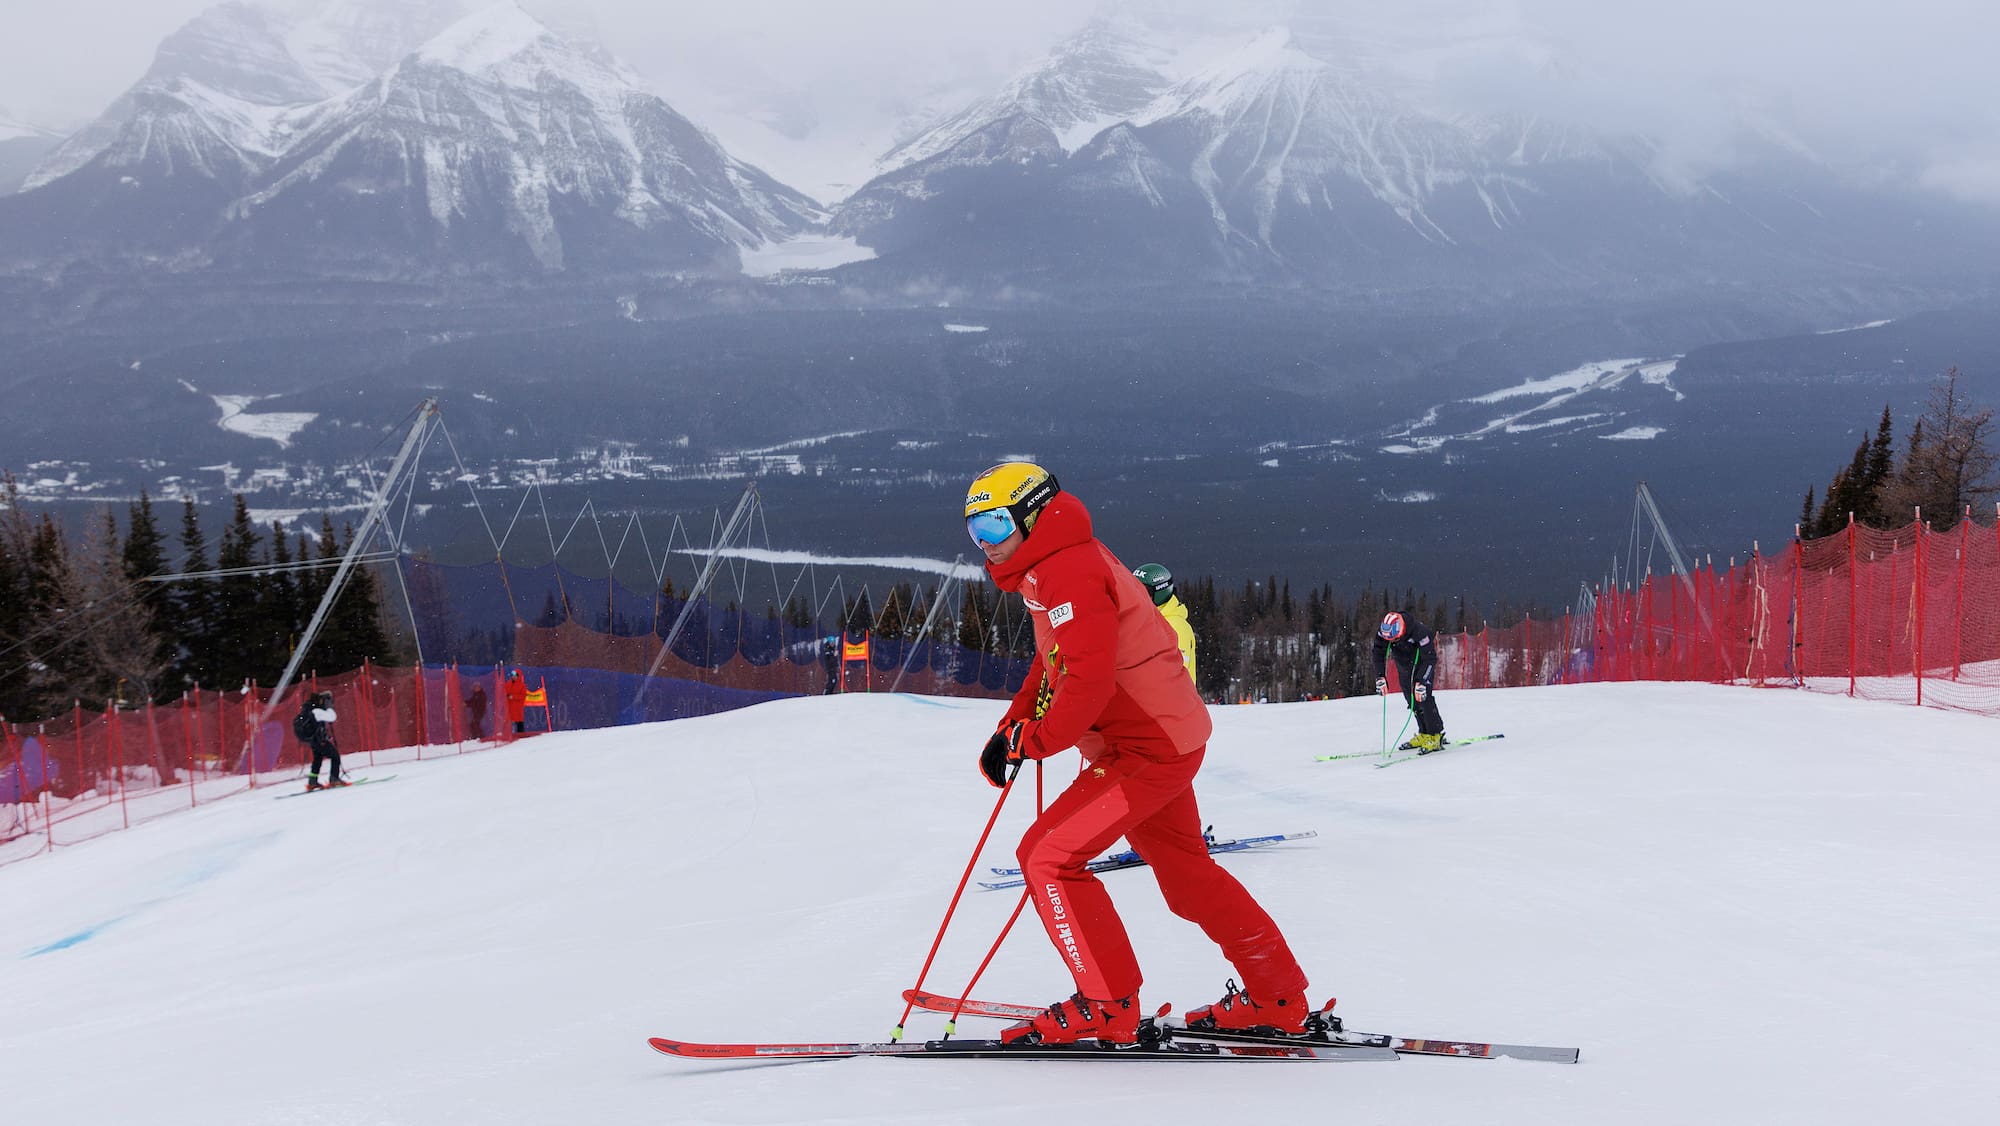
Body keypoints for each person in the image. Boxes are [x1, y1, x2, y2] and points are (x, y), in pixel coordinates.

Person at [964, 461, 1315, 1046]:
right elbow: (1056, 657)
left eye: (996, 526)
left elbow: (1089, 681)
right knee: (1185, 875)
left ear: (1032, 513)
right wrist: (1015, 722)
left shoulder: (1066, 571)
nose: (986, 544)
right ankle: (1276, 997)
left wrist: (1037, 739)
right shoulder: (1049, 565)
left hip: (1147, 748)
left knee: (1046, 857)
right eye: (975, 531)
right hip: (1164, 740)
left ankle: (1106, 1005)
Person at [1373, 610, 1446, 751]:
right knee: (1411, 699)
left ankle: (1435, 735)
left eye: (1394, 639)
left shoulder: (1419, 631)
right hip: (1404, 666)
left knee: (1423, 697)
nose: (1391, 642)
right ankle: (1424, 733)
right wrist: (1380, 676)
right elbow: (1378, 653)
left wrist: (1422, 681)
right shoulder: (1385, 632)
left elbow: (1430, 658)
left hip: (1422, 664)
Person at [1132, 563, 1196, 685]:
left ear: (1160, 591)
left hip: (1174, 702)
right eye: (1134, 589)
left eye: (1144, 591)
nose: (1137, 596)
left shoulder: (1176, 626)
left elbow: (1175, 672)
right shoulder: (1146, 620)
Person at [297, 692, 347, 790]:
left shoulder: (308, 710)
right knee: (335, 756)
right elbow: (332, 717)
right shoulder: (316, 711)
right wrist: (329, 706)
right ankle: (334, 779)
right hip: (320, 740)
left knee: (317, 759)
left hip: (313, 740)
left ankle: (312, 781)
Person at [504, 669, 528, 735]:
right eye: (513, 675)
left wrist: (513, 697)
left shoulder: (522, 685)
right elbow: (504, 691)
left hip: (517, 706)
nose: (513, 677)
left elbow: (523, 696)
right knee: (508, 721)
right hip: (509, 706)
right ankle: (507, 734)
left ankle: (520, 734)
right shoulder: (508, 683)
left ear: (518, 676)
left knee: (519, 721)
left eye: (515, 676)